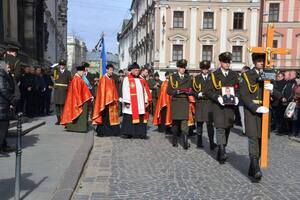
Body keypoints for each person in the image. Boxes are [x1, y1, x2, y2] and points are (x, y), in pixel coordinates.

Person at [239, 53, 277, 181]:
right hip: (252, 112)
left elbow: (277, 93)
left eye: (263, 61)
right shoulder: (246, 76)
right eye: (259, 61)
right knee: (253, 138)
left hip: (266, 111)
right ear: (254, 62)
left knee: (262, 141)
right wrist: (255, 108)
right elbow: (243, 95)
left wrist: (272, 90)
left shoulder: (269, 75)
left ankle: (252, 167)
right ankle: (256, 169)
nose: (261, 63)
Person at [206, 52, 239, 163]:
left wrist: (237, 98)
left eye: (229, 62)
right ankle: (222, 150)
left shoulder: (234, 75)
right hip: (218, 106)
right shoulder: (214, 75)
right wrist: (217, 97)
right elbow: (208, 91)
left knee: (228, 128)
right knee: (220, 128)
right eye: (225, 62)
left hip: (230, 107)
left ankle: (221, 150)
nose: (227, 64)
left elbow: (237, 89)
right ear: (221, 62)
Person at [167, 59, 192, 149]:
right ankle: (174, 139)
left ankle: (185, 140)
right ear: (178, 68)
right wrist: (176, 92)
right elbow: (168, 91)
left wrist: (189, 92)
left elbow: (191, 89)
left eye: (184, 68)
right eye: (181, 67)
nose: (183, 69)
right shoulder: (172, 77)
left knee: (184, 121)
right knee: (175, 122)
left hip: (184, 101)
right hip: (176, 101)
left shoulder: (188, 78)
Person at [60, 65, 93, 133]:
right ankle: (78, 128)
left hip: (83, 99)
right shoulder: (76, 79)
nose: (84, 73)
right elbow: (76, 91)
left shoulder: (79, 79)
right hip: (78, 100)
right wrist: (79, 100)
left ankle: (81, 127)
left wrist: (89, 96)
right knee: (78, 114)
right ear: (79, 71)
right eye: (83, 72)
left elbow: (84, 89)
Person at [121, 63, 148, 139]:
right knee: (129, 118)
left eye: (138, 70)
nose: (137, 72)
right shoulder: (127, 79)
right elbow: (125, 90)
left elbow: (144, 90)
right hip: (131, 104)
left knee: (140, 118)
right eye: (135, 70)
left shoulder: (141, 79)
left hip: (140, 103)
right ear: (132, 70)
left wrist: (146, 100)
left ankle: (140, 133)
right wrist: (127, 102)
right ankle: (128, 133)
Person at [192, 60, 216, 150]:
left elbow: (215, 89)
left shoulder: (212, 77)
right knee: (199, 124)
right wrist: (197, 94)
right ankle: (199, 142)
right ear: (201, 69)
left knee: (210, 125)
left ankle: (211, 143)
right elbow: (192, 90)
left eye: (206, 69)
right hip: (200, 103)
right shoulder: (196, 78)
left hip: (209, 103)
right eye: (203, 69)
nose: (205, 70)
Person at [93, 64, 120, 136]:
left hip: (112, 102)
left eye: (112, 70)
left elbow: (114, 90)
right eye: (110, 70)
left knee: (111, 118)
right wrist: (105, 100)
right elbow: (102, 91)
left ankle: (112, 131)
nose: (112, 71)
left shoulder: (111, 79)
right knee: (104, 117)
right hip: (105, 102)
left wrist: (115, 98)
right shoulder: (103, 79)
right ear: (107, 70)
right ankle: (102, 131)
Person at [0, 60, 17, 153]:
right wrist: (12, 100)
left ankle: (4, 146)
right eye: (7, 66)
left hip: (4, 104)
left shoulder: (4, 74)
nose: (8, 68)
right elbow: (3, 89)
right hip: (2, 105)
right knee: (3, 128)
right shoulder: (1, 74)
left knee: (4, 128)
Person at [53, 59, 71, 125]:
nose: (62, 66)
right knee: (57, 105)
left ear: (65, 66)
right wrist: (55, 66)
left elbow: (70, 81)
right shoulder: (56, 71)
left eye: (63, 65)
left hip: (64, 91)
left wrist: (68, 88)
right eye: (60, 65)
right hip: (57, 90)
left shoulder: (68, 72)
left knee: (63, 106)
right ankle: (58, 119)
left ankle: (64, 118)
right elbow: (49, 72)